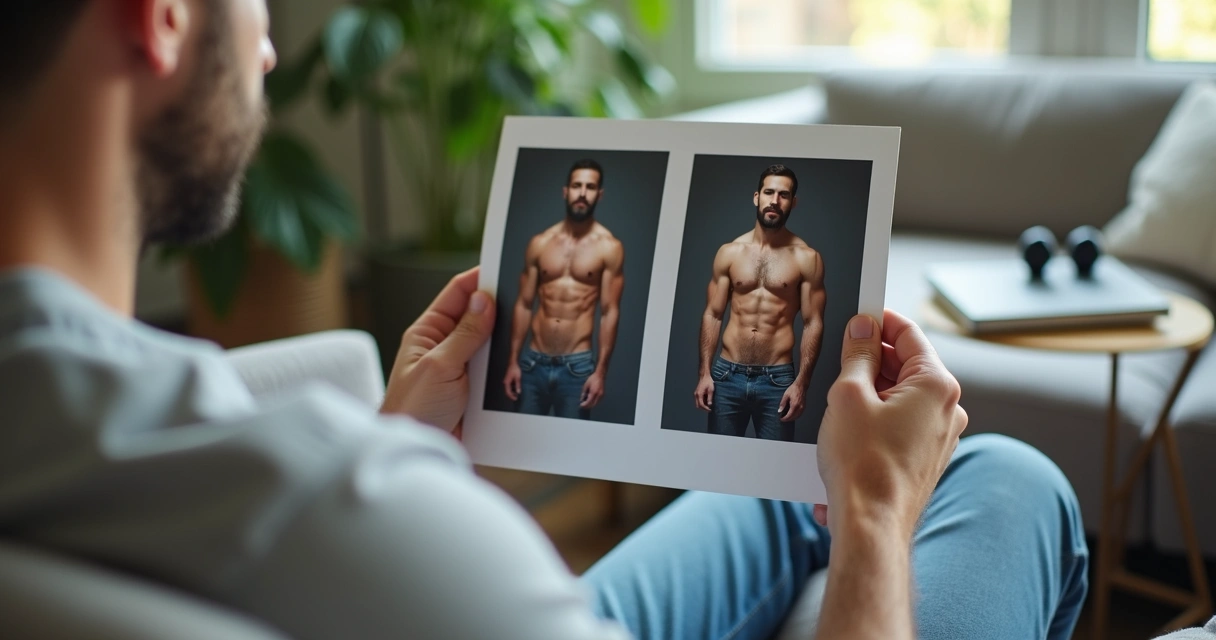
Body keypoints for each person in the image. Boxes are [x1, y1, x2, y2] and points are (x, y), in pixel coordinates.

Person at [22, 1, 1216, 639]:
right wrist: (869, 510)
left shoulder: (142, 452)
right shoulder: (315, 509)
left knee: (784, 485)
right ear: (161, 15)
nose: (273, 41)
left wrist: (399, 441)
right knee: (1005, 481)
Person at [694, 165, 827, 441]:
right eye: (769, 192)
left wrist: (801, 384)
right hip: (726, 375)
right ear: (757, 197)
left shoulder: (806, 258)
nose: (774, 201)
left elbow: (813, 322)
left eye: (783, 195)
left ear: (793, 202)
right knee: (719, 467)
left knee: (773, 472)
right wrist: (705, 373)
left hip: (777, 381)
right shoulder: (730, 252)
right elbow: (713, 314)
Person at [502, 159, 625, 420]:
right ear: (565, 191)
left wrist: (600, 372)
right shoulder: (540, 243)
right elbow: (524, 304)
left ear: (599, 195)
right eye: (576, 185)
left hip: (577, 368)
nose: (582, 193)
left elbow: (609, 312)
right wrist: (513, 361)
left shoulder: (609, 247)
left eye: (590, 187)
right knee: (521, 447)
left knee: (571, 451)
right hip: (532, 363)